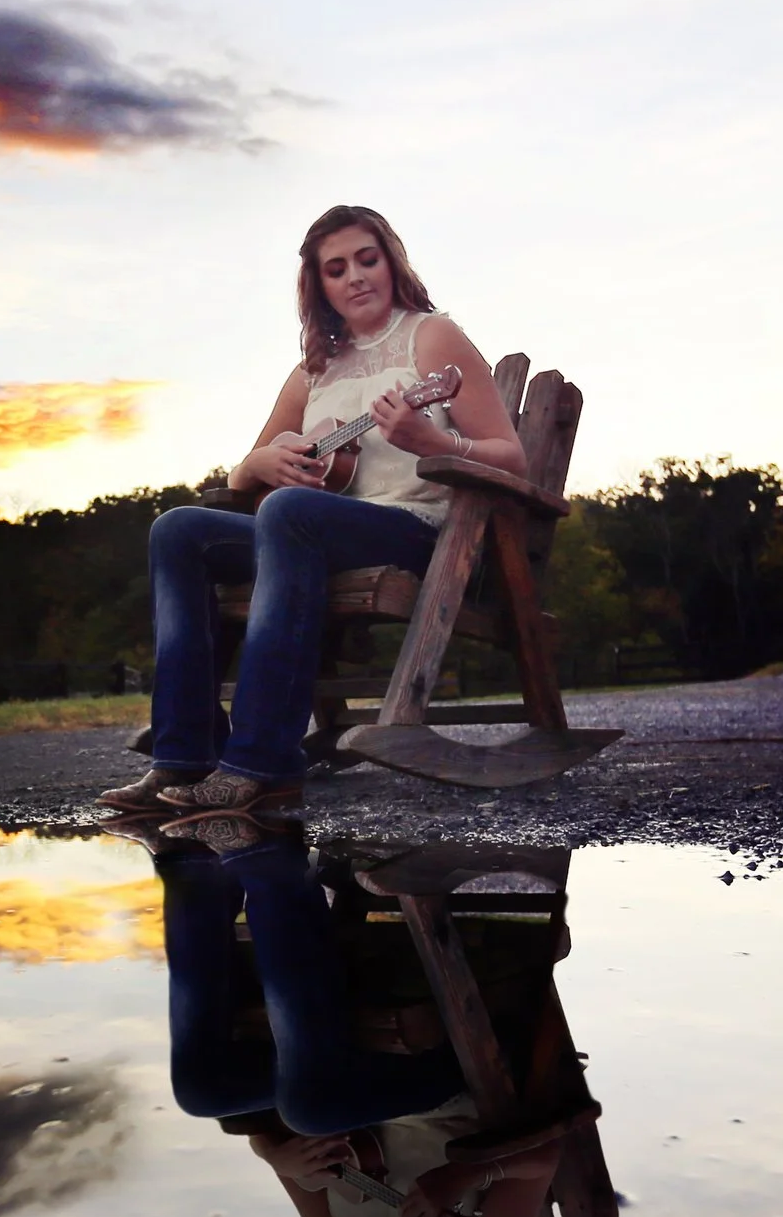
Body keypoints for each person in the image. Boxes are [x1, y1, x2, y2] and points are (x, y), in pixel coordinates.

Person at [98, 205, 528, 822]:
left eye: (366, 259)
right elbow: (246, 468)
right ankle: (184, 755)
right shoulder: (314, 369)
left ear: (391, 262)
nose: (354, 276)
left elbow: (508, 456)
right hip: (305, 533)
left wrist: (433, 442)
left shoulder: (431, 336)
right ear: (318, 285)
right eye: (336, 268)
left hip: (414, 532)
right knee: (179, 529)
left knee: (291, 512)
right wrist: (260, 466)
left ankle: (261, 764)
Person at [151, 820, 564, 1217]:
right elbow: (544, 1160)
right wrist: (465, 1176)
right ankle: (272, 868)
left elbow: (282, 1156)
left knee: (200, 1090)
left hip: (354, 1093)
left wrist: (278, 1154)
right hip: (449, 1090)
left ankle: (189, 868)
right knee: (311, 1105)